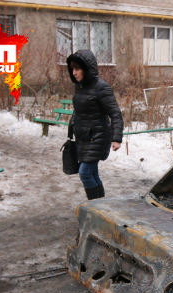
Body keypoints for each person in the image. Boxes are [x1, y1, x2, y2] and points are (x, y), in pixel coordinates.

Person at [66, 49, 123, 200]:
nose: (74, 73)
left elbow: (115, 113)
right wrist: (72, 126)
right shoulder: (79, 87)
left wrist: (117, 138)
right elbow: (80, 110)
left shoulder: (101, 87)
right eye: (72, 69)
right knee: (92, 173)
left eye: (77, 69)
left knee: (85, 173)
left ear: (86, 69)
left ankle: (94, 206)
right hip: (83, 138)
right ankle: (101, 205)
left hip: (98, 137)